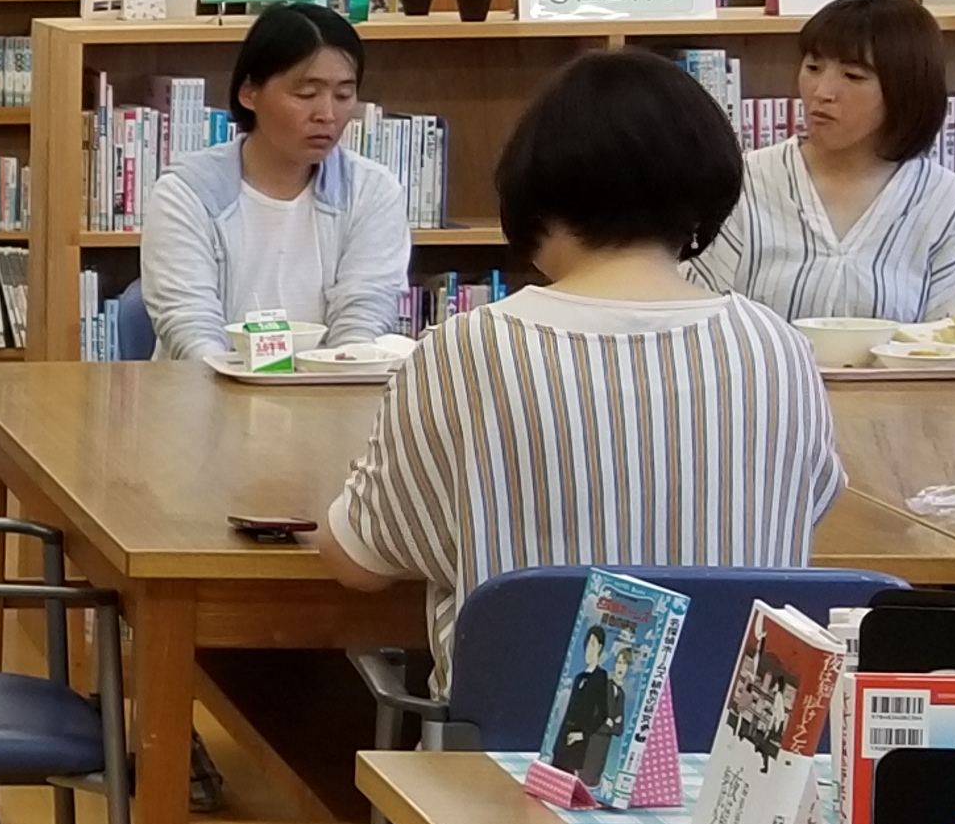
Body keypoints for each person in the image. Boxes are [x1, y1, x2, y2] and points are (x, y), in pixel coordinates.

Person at [325, 48, 845, 672]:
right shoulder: (777, 348)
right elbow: (805, 514)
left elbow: (362, 560)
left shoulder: (468, 349)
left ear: (536, 194)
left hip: (515, 728)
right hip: (732, 728)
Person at [693, 0, 955, 324]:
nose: (822, 92)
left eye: (853, 76)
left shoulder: (947, 203)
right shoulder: (744, 182)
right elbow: (694, 312)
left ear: (905, 89)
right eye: (813, 67)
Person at [137, 2, 415, 360]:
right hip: (207, 386)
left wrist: (338, 375)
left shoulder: (371, 192)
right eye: (306, 94)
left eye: (343, 95)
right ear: (249, 93)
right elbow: (191, 327)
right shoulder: (187, 192)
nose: (327, 114)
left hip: (329, 388)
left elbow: (363, 319)